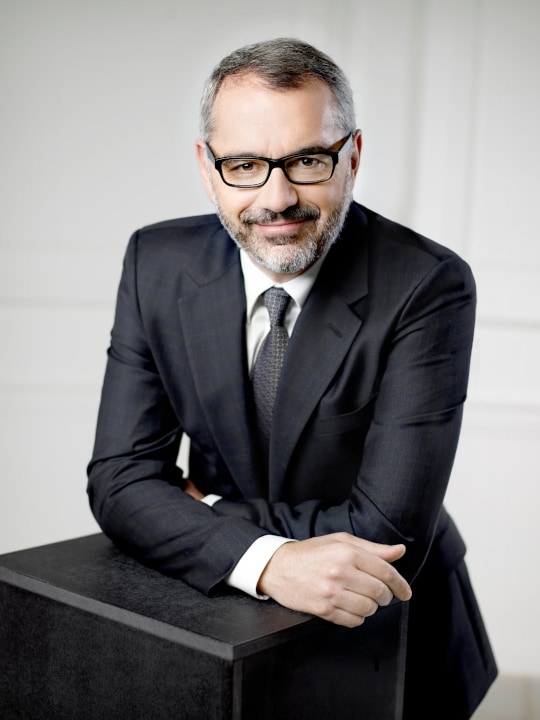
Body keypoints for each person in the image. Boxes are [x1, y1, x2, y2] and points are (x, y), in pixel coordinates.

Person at [87, 37, 497, 718]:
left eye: (307, 160)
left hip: (390, 633)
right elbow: (119, 479)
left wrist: (206, 510)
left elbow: (386, 529)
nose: (277, 199)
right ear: (207, 168)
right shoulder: (154, 262)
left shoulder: (427, 284)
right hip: (224, 621)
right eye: (245, 165)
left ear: (352, 157)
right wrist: (268, 561)